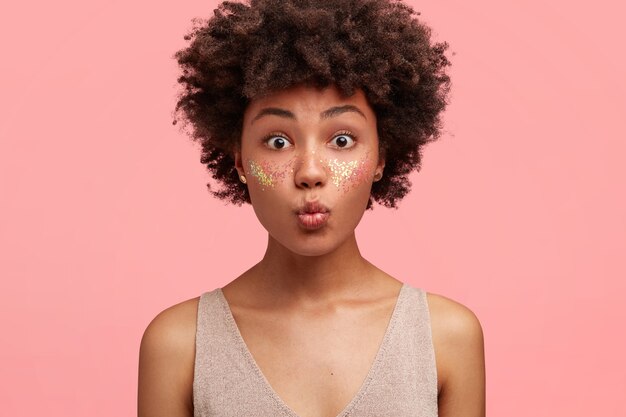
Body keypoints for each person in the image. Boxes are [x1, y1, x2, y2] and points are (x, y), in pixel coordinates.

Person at [138, 0, 485, 416]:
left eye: (341, 140)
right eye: (278, 141)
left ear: (380, 157)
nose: (310, 172)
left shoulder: (444, 338)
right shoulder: (180, 345)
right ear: (239, 161)